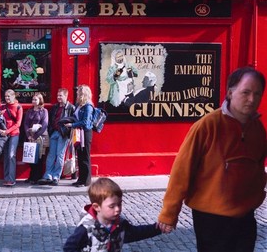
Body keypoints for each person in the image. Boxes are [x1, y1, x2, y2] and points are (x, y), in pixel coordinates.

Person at [157, 67, 267, 252]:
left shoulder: (258, 129)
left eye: (257, 94)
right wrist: (168, 214)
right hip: (211, 218)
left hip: (245, 217)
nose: (251, 99)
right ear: (230, 92)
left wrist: (257, 195)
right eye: (246, 92)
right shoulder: (207, 126)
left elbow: (258, 167)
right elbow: (182, 171)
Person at [63, 177, 162, 251]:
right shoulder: (85, 228)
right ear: (97, 207)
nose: (117, 209)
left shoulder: (120, 224)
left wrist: (158, 228)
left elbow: (136, 233)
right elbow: (69, 247)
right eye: (112, 206)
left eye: (119, 204)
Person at [37, 88, 75, 186]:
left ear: (66, 96)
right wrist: (51, 129)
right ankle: (48, 176)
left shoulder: (71, 107)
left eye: (60, 96)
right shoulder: (55, 107)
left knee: (60, 155)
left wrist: (67, 129)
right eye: (58, 96)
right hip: (54, 132)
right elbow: (51, 119)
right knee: (51, 155)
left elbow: (74, 120)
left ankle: (56, 176)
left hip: (63, 134)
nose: (58, 98)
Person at [65, 85, 94, 187]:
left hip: (85, 133)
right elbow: (75, 117)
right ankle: (80, 179)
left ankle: (86, 181)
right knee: (80, 156)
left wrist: (72, 125)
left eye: (78, 93)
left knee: (85, 156)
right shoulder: (79, 105)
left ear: (83, 94)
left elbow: (86, 122)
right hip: (78, 133)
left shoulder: (88, 106)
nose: (76, 94)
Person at [0, 89, 23, 187]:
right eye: (5, 96)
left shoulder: (18, 107)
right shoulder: (3, 107)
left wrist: (7, 131)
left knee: (11, 155)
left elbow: (18, 123)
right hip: (4, 135)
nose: (7, 98)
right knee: (5, 157)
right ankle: (6, 178)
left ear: (13, 96)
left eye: (9, 96)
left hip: (14, 134)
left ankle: (12, 179)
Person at [23, 93, 49, 184]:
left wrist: (35, 136)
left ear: (40, 100)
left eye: (36, 99)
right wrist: (28, 135)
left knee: (39, 158)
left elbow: (45, 124)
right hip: (30, 136)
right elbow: (25, 123)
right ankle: (31, 176)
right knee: (30, 158)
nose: (34, 101)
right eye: (33, 99)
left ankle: (37, 177)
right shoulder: (30, 111)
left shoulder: (44, 111)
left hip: (40, 137)